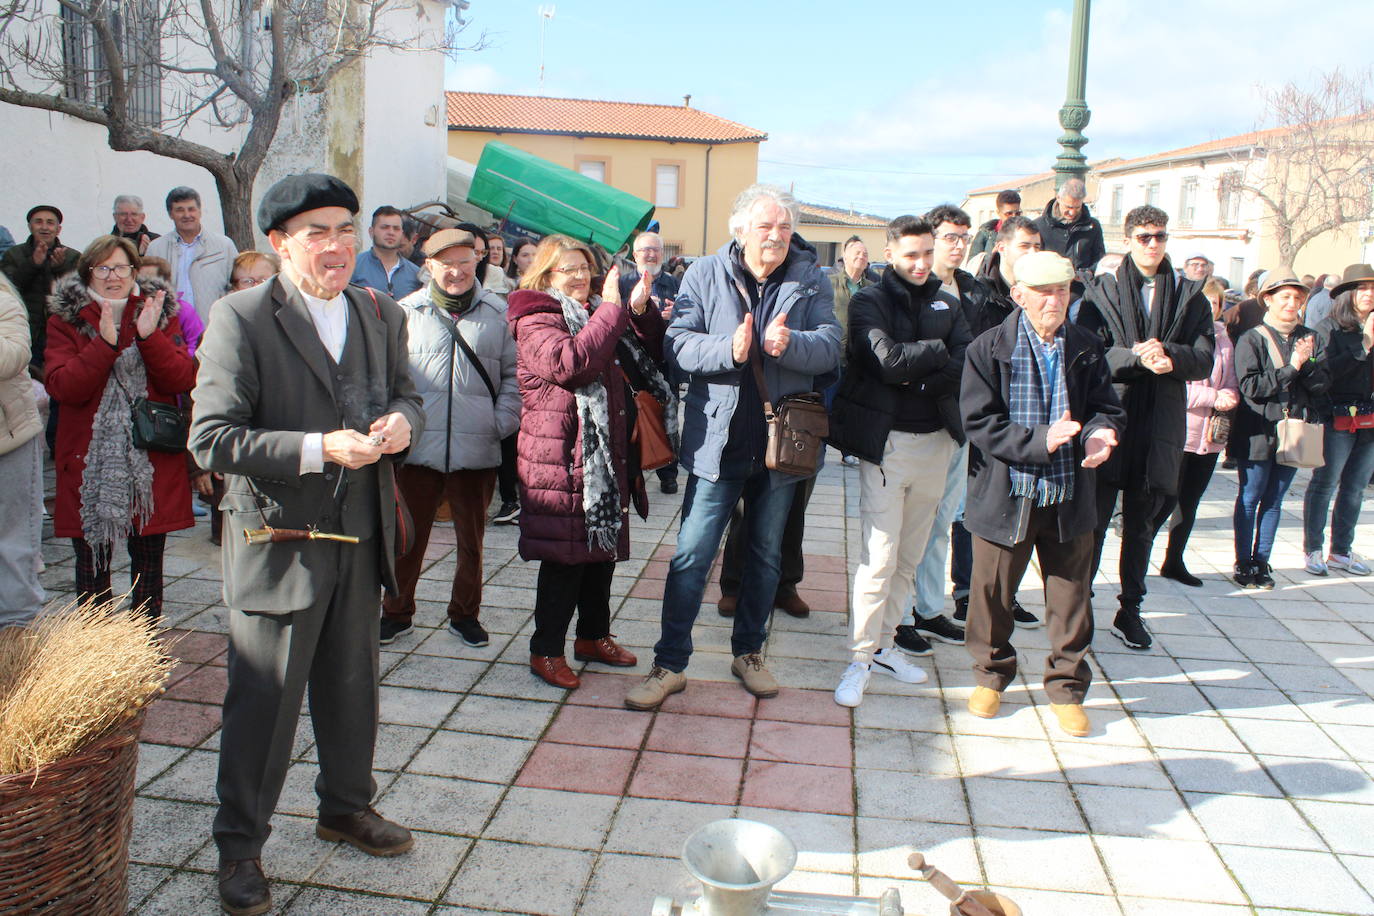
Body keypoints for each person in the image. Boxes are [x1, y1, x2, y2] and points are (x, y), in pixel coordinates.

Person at [190, 174, 424, 915]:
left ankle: (345, 807)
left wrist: (402, 424)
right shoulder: (242, 316)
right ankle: (239, 849)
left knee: (353, 686)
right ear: (280, 242)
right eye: (317, 232)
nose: (337, 245)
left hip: (360, 534)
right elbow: (211, 438)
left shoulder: (379, 313)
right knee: (264, 700)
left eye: (345, 229)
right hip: (279, 540)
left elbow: (406, 393)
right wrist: (319, 448)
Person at [625, 184, 840, 711]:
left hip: (780, 444)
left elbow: (834, 345)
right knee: (692, 556)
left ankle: (750, 652)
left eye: (784, 227)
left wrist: (795, 344)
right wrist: (730, 348)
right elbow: (676, 346)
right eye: (765, 226)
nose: (776, 235)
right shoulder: (703, 274)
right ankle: (670, 663)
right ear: (739, 230)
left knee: (766, 555)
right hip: (716, 442)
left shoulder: (811, 279)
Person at [960, 251, 1125, 737]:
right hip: (1005, 490)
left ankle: (1068, 687)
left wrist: (1099, 433)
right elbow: (978, 422)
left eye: (1063, 290)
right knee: (991, 594)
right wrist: (1038, 441)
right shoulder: (988, 347)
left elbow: (1104, 407)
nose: (1056, 300)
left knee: (1071, 595)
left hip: (1071, 488)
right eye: (1045, 291)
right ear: (1019, 295)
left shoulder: (1087, 345)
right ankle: (991, 676)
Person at [506, 235, 667, 689]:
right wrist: (612, 312)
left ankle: (593, 636)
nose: (579, 276)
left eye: (584, 267)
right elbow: (572, 364)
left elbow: (646, 353)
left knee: (602, 554)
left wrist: (636, 311)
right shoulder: (534, 317)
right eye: (567, 269)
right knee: (565, 559)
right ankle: (546, 650)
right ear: (545, 275)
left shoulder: (597, 309)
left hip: (603, 457)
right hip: (559, 458)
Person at [827, 215, 969, 707]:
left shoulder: (948, 302)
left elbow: (964, 360)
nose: (921, 262)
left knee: (908, 557)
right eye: (911, 254)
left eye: (928, 253)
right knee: (879, 557)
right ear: (891, 251)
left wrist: (920, 374)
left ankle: (887, 645)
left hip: (937, 442)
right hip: (888, 444)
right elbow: (885, 361)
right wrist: (934, 354)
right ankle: (861, 657)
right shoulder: (869, 300)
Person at [1077, 205, 1214, 651]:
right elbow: (1086, 352)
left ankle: (1130, 608)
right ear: (1129, 240)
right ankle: (1079, 604)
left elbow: (1205, 356)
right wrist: (1135, 357)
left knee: (1142, 523)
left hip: (1161, 422)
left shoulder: (1191, 296)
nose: (1152, 244)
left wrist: (1168, 355)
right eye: (1143, 236)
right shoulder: (1102, 290)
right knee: (1093, 520)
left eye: (1159, 236)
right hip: (1113, 414)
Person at [380, 228, 520, 648]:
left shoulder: (499, 313)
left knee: (471, 543)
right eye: (446, 263)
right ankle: (397, 612)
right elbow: (390, 379)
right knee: (407, 539)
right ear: (429, 267)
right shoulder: (404, 312)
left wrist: (500, 421)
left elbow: (515, 377)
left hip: (477, 446)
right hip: (417, 448)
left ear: (478, 261)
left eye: (464, 261)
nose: (456, 271)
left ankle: (464, 615)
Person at [45, 235, 195, 616]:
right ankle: (97, 652)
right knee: (92, 569)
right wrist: (104, 345)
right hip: (89, 466)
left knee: (148, 567)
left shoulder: (158, 311)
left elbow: (181, 379)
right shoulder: (66, 321)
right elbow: (64, 387)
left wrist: (149, 336)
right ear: (88, 273)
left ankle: (143, 650)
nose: (113, 277)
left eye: (122, 267)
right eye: (103, 268)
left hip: (150, 462)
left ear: (135, 270)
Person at [898, 205, 986, 658]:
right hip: (920, 422)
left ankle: (930, 607)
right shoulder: (913, 290)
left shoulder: (974, 292)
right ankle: (901, 614)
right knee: (910, 523)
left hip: (961, 423)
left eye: (964, 237)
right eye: (950, 237)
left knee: (943, 520)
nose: (958, 245)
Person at [1230, 275, 1329, 588]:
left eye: (1297, 298)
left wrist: (1308, 362)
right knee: (1250, 496)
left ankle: (1262, 560)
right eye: (1284, 297)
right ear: (1268, 299)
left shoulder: (1310, 337)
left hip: (1295, 429)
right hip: (1258, 428)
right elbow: (1252, 387)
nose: (1291, 304)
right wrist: (1292, 367)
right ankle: (1243, 562)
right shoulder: (1252, 338)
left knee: (1275, 500)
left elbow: (1322, 386)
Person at [1153, 277, 1239, 586]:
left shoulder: (1225, 339)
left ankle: (1174, 560)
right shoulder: (1183, 337)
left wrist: (1229, 396)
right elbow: (1178, 388)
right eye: (1206, 304)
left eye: (1216, 304)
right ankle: (1138, 558)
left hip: (1211, 436)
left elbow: (1230, 380)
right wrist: (1213, 397)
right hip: (1181, 432)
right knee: (1164, 500)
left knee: (1189, 502)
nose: (1211, 309)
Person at [1302, 264, 1374, 576]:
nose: (1369, 294)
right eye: (1363, 288)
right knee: (1325, 483)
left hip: (1369, 418)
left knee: (1356, 487)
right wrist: (1365, 344)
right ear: (1346, 294)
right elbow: (1325, 374)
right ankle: (1313, 549)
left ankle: (1341, 550)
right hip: (1337, 417)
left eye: (1373, 289)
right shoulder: (1328, 328)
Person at [620, 231, 682, 494]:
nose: (652, 254)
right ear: (635, 255)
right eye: (645, 250)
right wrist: (635, 308)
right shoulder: (623, 283)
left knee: (668, 415)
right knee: (632, 415)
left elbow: (693, 315)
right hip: (632, 361)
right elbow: (610, 315)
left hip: (665, 360)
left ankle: (668, 472)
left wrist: (675, 313)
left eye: (656, 250)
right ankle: (631, 472)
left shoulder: (675, 282)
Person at [0, 274, 44, 627]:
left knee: (13, 542)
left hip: (9, 440)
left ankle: (16, 632)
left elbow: (14, 356)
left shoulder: (4, 300)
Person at [145, 187, 237, 328]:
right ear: (170, 214)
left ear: (200, 211)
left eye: (191, 209)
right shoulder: (156, 248)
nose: (187, 215)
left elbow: (236, 286)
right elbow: (148, 290)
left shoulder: (224, 246)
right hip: (173, 331)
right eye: (180, 210)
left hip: (214, 328)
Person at [1, 205, 79, 369]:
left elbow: (77, 296)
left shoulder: (72, 257)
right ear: (30, 226)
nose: (44, 227)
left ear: (58, 229)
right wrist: (33, 264)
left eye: (50, 223)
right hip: (26, 331)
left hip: (60, 333)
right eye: (38, 222)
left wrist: (59, 269)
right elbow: (9, 290)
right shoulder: (14, 254)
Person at [1033, 179, 1105, 279]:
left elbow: (1099, 258)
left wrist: (1088, 272)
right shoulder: (1038, 225)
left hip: (1082, 289)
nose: (1072, 212)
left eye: (1077, 207)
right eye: (1068, 207)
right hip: (1049, 285)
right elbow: (1033, 260)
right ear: (1058, 198)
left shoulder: (1093, 226)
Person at [351, 206, 423, 300]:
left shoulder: (415, 274)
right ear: (371, 232)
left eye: (396, 228)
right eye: (384, 227)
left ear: (401, 233)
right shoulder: (353, 267)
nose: (391, 232)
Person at [138, 256, 205, 355]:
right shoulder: (131, 306)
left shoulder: (183, 310)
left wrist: (181, 360)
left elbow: (196, 344)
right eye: (140, 280)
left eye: (150, 281)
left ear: (165, 282)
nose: (144, 286)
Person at [969, 190, 1022, 260]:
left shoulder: (1026, 233)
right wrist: (992, 257)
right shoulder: (985, 234)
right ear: (998, 212)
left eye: (1017, 213)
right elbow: (972, 265)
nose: (1014, 217)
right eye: (1009, 214)